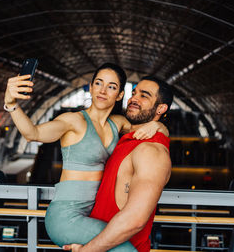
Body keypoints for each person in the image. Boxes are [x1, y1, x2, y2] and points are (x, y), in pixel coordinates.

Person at [4, 63, 168, 251]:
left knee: (117, 243)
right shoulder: (73, 121)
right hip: (65, 217)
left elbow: (147, 128)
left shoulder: (118, 123)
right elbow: (32, 133)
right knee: (124, 248)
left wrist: (161, 126)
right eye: (98, 83)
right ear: (90, 87)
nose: (103, 91)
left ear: (120, 95)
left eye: (112, 87)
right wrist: (11, 104)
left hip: (90, 217)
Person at [63, 76, 173, 252]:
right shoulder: (132, 139)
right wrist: (158, 125)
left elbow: (135, 219)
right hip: (101, 243)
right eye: (134, 93)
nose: (133, 99)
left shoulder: (151, 151)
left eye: (144, 96)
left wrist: (87, 251)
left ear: (161, 108)